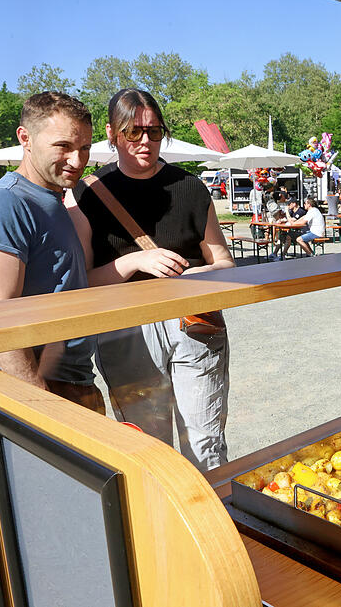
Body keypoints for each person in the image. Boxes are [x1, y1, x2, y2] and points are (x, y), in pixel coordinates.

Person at [66, 88, 235, 472]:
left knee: (205, 442)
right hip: (126, 330)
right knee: (146, 446)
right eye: (132, 132)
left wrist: (198, 275)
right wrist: (135, 261)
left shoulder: (190, 187)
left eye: (155, 132)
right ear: (112, 133)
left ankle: (212, 525)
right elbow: (84, 283)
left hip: (194, 322)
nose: (145, 141)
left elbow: (224, 262)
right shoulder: (88, 193)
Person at [0, 91, 104, 414]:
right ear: (25, 138)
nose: (77, 160)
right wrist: (42, 410)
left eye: (84, 148)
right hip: (31, 396)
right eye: (63, 147)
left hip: (72, 385)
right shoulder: (5, 203)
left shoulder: (54, 199)